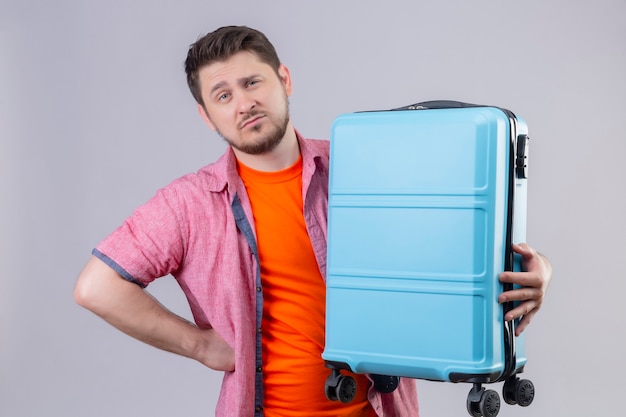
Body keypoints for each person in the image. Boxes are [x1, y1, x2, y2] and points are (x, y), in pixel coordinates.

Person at [73, 25, 553, 417]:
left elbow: (450, 236)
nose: (243, 103)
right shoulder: (189, 203)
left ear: (284, 79)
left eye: (252, 82)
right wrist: (201, 346)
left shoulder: (364, 165)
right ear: (206, 115)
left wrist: (534, 270)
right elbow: (97, 287)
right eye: (222, 95)